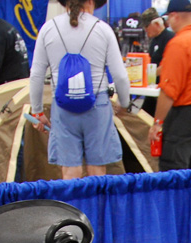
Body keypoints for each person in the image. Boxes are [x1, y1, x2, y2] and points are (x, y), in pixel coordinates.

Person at [28, 0, 131, 179]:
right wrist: (124, 103)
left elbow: (36, 75)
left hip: (62, 105)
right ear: (91, 2)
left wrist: (37, 112)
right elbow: (120, 76)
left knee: (69, 170)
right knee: (97, 169)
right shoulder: (103, 29)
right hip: (97, 105)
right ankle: (95, 207)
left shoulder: (48, 28)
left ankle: (72, 207)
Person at [146, 0, 191, 171]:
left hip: (186, 115)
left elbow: (169, 89)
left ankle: (175, 199)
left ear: (174, 16)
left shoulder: (179, 43)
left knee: (173, 167)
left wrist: (157, 123)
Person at [139, 8, 173, 115]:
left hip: (165, 89)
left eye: (147, 27)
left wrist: (149, 74)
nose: (146, 30)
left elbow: (169, 65)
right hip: (153, 86)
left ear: (156, 24)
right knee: (143, 117)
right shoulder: (154, 41)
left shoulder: (170, 39)